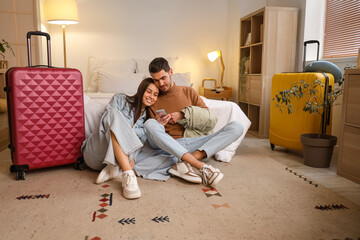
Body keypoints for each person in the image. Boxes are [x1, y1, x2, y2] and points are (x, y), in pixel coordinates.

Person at [143, 57, 244, 188]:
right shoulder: (152, 97)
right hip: (168, 146)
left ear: (171, 72)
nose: (161, 83)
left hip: (193, 142)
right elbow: (150, 131)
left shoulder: (188, 91)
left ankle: (188, 160)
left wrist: (184, 115)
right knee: (150, 125)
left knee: (237, 127)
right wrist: (158, 124)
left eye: (163, 78)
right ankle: (196, 164)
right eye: (156, 80)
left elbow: (210, 119)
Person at [81, 78, 159, 199]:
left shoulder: (147, 121)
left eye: (155, 94)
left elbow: (139, 146)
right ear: (141, 90)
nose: (151, 96)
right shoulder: (120, 99)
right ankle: (127, 174)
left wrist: (132, 159)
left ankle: (115, 168)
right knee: (113, 114)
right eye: (149, 91)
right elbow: (107, 120)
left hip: (116, 162)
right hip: (95, 153)